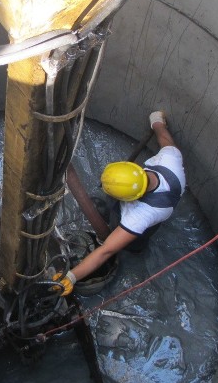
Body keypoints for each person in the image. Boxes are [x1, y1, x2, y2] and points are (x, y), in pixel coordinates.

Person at [56, 110, 185, 295]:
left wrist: (71, 276)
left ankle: (132, 246)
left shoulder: (139, 217)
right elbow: (165, 139)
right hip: (152, 202)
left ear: (129, 200)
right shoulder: (170, 159)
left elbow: (106, 251)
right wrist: (157, 121)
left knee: (132, 244)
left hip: (146, 226)